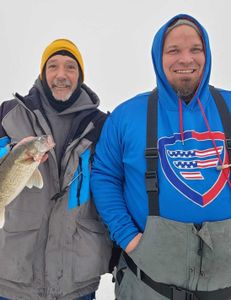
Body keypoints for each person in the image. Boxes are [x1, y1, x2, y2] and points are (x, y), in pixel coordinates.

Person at [91, 14, 231, 300]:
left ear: (207, 54)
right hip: (147, 287)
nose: (185, 59)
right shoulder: (127, 116)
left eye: (195, 49)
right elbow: (104, 177)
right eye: (173, 51)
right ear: (158, 57)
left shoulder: (229, 105)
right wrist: (129, 238)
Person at [0, 39, 112, 300]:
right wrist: (11, 153)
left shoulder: (101, 126)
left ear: (80, 76)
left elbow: (114, 185)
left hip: (76, 280)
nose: (61, 75)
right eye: (53, 66)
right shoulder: (9, 114)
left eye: (70, 67)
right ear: (43, 73)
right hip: (13, 278)